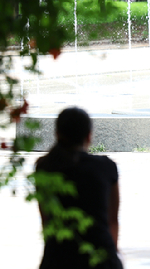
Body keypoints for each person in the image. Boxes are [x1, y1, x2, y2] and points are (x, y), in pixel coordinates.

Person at [35, 107, 122, 269]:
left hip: (57, 257)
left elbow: (46, 220)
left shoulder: (44, 167)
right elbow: (112, 221)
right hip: (100, 257)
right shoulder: (106, 167)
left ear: (57, 135)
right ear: (89, 136)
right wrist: (113, 254)